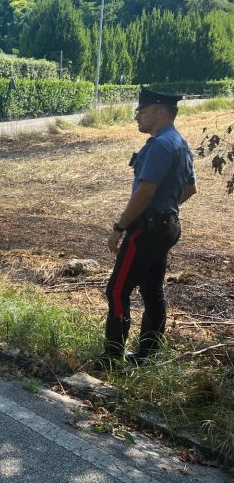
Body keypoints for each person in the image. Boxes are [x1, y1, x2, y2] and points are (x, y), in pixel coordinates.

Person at [99, 87, 197, 366]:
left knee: (117, 290)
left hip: (146, 229)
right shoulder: (180, 143)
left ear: (160, 112)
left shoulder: (160, 145)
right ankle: (149, 355)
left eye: (142, 111)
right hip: (167, 226)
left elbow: (144, 192)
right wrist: (166, 208)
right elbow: (190, 188)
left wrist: (120, 226)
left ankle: (112, 358)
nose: (137, 117)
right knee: (152, 290)